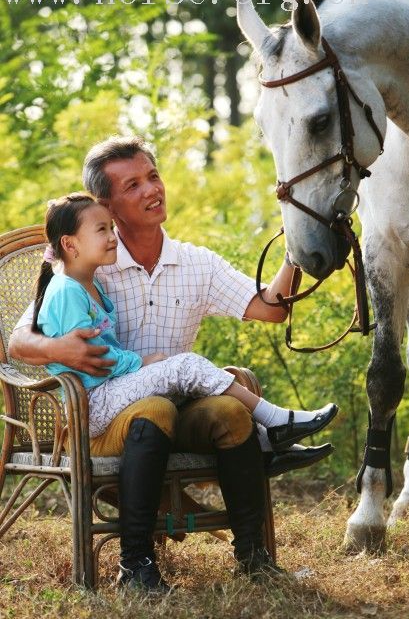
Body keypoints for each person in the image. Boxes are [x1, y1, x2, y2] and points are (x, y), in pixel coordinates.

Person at [9, 136, 337, 593]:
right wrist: (60, 348)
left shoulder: (195, 263)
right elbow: (20, 341)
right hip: (112, 419)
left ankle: (254, 558)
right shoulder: (88, 262)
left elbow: (271, 306)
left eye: (153, 176)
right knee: (155, 410)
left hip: (180, 404)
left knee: (228, 412)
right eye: (133, 185)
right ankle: (137, 565)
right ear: (108, 206)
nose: (151, 190)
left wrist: (295, 249)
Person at [33, 193, 337, 450]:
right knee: (184, 366)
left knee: (190, 379)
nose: (112, 237)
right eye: (102, 230)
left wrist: (294, 248)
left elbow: (272, 307)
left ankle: (269, 439)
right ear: (70, 245)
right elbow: (92, 356)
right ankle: (277, 421)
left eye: (111, 228)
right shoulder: (65, 289)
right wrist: (141, 362)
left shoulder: (91, 284)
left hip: (110, 394)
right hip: (92, 403)